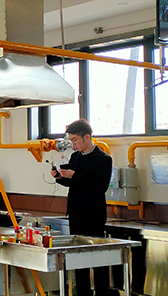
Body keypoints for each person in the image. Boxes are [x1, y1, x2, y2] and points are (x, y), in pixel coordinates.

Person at [52, 119, 112, 296]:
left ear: (87, 137)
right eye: (71, 140)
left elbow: (100, 186)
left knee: (97, 256)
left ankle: (101, 292)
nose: (74, 144)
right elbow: (72, 183)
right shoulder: (75, 157)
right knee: (78, 257)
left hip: (93, 215)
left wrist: (75, 175)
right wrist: (60, 177)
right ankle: (83, 292)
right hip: (76, 214)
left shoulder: (103, 159)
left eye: (75, 140)